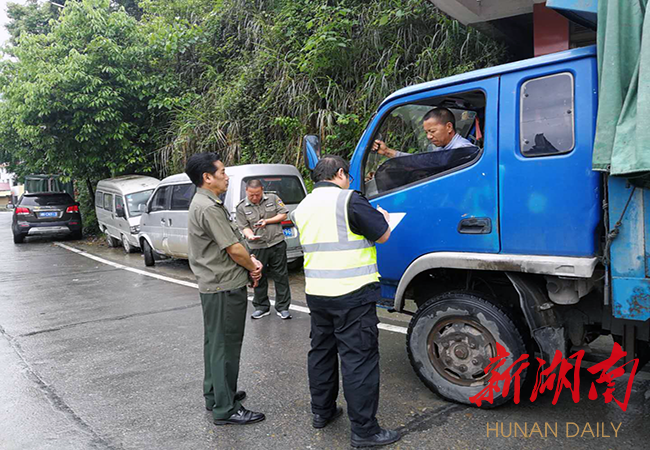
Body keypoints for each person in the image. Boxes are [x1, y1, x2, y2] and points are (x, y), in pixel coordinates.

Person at [292, 156, 401, 448]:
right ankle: (365, 431)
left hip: (317, 292)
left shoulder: (303, 206)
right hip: (352, 293)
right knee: (359, 359)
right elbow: (384, 235)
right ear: (340, 174)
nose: (348, 182)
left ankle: (322, 412)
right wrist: (385, 219)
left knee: (322, 352)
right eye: (348, 177)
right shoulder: (349, 200)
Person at [185, 152, 266, 426]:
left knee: (215, 344)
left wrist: (249, 260)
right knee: (226, 347)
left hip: (215, 284)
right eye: (222, 172)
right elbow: (232, 248)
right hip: (224, 285)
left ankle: (217, 394)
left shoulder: (206, 202)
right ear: (207, 178)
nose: (226, 176)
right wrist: (252, 265)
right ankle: (226, 408)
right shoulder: (208, 207)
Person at [235, 179, 293, 320]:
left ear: (262, 190)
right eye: (251, 195)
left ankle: (283, 307)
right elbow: (243, 226)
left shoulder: (273, 198)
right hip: (257, 246)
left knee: (281, 275)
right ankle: (261, 307)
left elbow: (284, 214)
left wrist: (267, 221)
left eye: (257, 194)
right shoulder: (242, 207)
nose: (254, 198)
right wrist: (250, 236)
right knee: (258, 276)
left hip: (276, 243)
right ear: (246, 192)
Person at [372, 106, 473, 158]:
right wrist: (386, 151)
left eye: (432, 131)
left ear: (449, 127)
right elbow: (422, 161)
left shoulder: (463, 150)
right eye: (426, 133)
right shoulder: (442, 148)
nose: (429, 136)